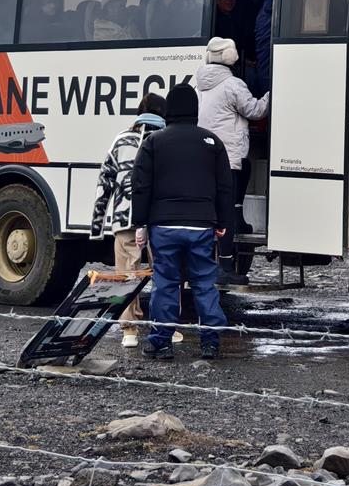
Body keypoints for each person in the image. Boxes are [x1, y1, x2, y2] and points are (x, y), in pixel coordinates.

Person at [130, 84, 234, 360]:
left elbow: (140, 184)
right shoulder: (211, 142)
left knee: (165, 284)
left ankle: (161, 342)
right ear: (195, 110)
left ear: (170, 110)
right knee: (203, 284)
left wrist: (140, 223)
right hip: (201, 225)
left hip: (164, 226)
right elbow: (225, 186)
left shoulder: (154, 141)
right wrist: (222, 222)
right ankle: (210, 342)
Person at [88, 93, 182, 349]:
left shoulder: (121, 139)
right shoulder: (170, 141)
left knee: (127, 276)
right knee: (165, 273)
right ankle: (167, 327)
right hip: (160, 218)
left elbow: (105, 181)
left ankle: (129, 330)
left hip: (124, 218)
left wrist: (97, 226)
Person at [195, 36, 270, 284]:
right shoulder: (233, 84)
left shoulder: (201, 85)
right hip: (229, 157)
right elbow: (255, 111)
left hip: (207, 158)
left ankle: (211, 259)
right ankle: (225, 266)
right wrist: (271, 94)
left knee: (215, 210)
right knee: (225, 212)